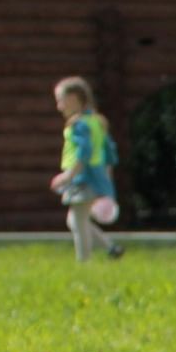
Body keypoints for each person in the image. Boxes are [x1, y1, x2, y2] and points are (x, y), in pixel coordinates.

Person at [50, 76, 123, 262]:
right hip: (97, 177)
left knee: (77, 220)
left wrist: (68, 175)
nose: (59, 107)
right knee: (75, 220)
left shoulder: (79, 125)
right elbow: (110, 153)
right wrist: (106, 180)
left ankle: (84, 262)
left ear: (74, 98)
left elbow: (85, 152)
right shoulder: (96, 122)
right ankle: (111, 248)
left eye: (61, 100)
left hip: (83, 178)